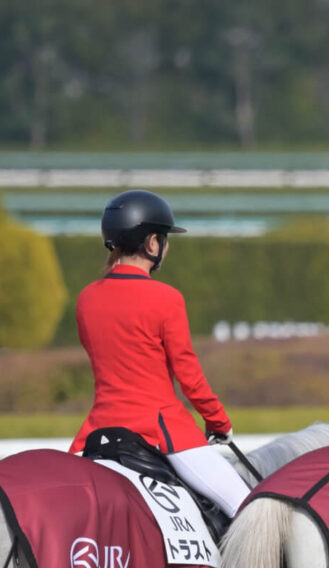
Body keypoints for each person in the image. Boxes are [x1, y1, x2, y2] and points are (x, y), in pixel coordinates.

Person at [70, 190, 249, 518]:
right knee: (250, 509)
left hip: (96, 434)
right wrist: (218, 422)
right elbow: (189, 375)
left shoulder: (86, 299)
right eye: (165, 240)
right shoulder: (166, 298)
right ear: (152, 243)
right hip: (161, 432)